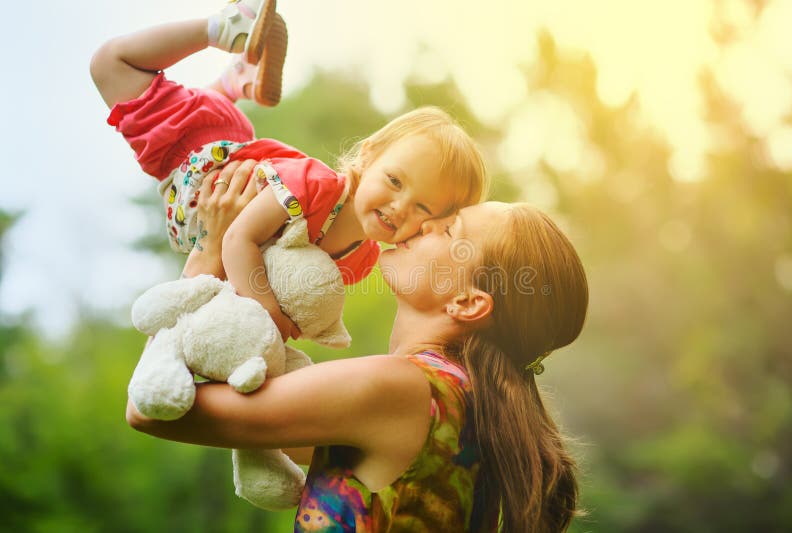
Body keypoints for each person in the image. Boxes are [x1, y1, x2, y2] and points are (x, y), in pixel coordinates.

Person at [127, 162, 589, 532]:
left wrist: (210, 252)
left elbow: (152, 407)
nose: (426, 225)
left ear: (467, 302)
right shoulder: (463, 407)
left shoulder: (401, 390)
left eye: (450, 232)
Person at [90, 0, 487, 339]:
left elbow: (291, 294)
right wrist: (269, 319)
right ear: (367, 157)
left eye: (423, 208)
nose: (401, 207)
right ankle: (227, 29)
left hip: (209, 181)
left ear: (434, 226)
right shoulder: (313, 186)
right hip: (193, 152)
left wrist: (275, 328)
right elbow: (237, 241)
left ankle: (236, 82)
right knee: (110, 63)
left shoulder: (360, 262)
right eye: (395, 181)